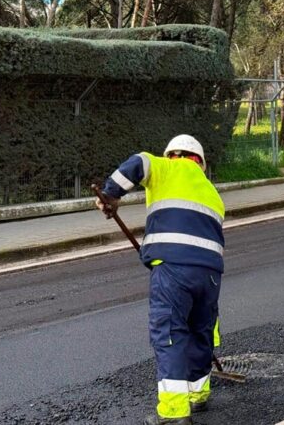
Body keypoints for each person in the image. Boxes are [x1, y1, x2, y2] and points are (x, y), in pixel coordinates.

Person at [96, 134, 224, 425]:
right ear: (201, 163)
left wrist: (111, 194)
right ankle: (198, 396)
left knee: (170, 333)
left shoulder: (165, 167)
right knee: (200, 330)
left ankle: (174, 413)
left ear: (172, 155)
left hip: (173, 269)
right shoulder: (213, 193)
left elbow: (139, 162)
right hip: (211, 274)